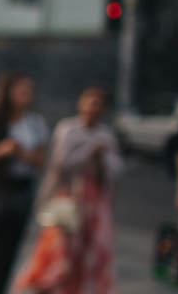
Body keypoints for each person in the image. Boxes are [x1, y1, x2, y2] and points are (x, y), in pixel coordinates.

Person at [20, 87, 122, 293]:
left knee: (93, 253)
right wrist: (89, 152)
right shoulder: (68, 129)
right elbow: (61, 163)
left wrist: (101, 157)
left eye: (98, 104)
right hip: (69, 199)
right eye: (90, 101)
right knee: (61, 252)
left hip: (95, 203)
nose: (93, 108)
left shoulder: (106, 135)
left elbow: (115, 168)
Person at [0, 72, 47, 294]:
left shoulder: (35, 124)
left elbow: (40, 161)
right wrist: (2, 150)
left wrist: (22, 153)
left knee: (12, 246)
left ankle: (0, 286)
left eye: (29, 91)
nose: (26, 95)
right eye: (21, 90)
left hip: (22, 189)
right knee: (1, 247)